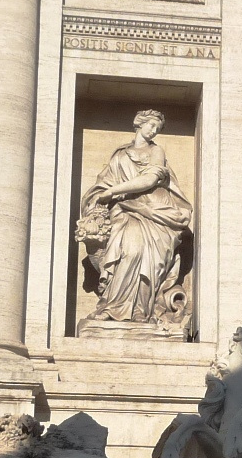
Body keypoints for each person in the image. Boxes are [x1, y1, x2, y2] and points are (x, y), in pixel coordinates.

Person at [75, 109, 193, 331]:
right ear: (139, 124)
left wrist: (113, 192)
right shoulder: (120, 155)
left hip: (155, 212)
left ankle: (141, 311)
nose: (154, 131)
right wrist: (98, 198)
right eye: (151, 125)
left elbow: (149, 180)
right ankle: (112, 307)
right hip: (124, 212)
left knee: (149, 259)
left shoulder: (157, 151)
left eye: (158, 128)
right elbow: (102, 184)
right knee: (128, 253)